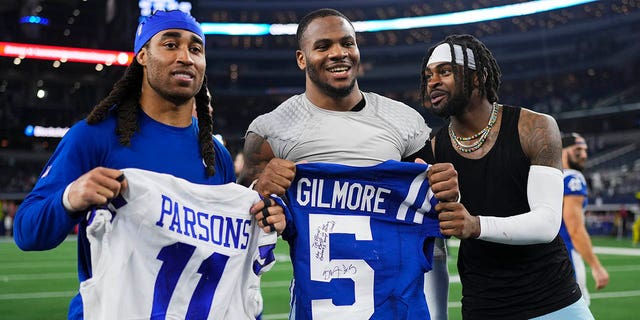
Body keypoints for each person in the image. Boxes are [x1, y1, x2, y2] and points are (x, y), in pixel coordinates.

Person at [13, 10, 284, 319]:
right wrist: (70, 198)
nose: (186, 57)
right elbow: (26, 232)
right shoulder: (93, 137)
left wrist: (261, 214)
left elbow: (225, 257)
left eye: (196, 49)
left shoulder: (215, 155)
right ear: (142, 55)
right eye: (170, 44)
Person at [238, 8, 458, 319]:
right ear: (302, 59)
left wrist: (449, 192)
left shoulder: (404, 119)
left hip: (396, 305)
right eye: (323, 46)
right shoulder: (270, 130)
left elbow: (436, 215)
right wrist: (259, 188)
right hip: (317, 305)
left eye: (347, 43)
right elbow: (240, 217)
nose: (338, 53)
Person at [420, 34, 594, 319]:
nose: (433, 82)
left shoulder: (534, 127)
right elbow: (434, 244)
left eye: (445, 71)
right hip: (484, 306)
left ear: (478, 78)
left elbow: (548, 222)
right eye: (428, 75)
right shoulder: (435, 148)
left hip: (555, 301)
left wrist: (475, 225)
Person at [559, 132, 609, 305]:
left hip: (547, 257)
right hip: (567, 257)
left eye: (585, 150)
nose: (584, 155)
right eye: (578, 149)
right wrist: (596, 266)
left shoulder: (551, 177)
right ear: (563, 151)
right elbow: (575, 229)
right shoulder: (573, 178)